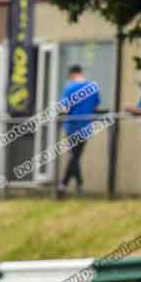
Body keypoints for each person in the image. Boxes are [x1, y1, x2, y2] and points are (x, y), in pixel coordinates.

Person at [58, 65, 101, 196]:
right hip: (86, 126)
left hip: (72, 126)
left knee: (74, 156)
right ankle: (78, 185)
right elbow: (96, 105)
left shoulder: (70, 88)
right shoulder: (93, 87)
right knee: (76, 155)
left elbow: (64, 108)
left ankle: (63, 186)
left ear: (72, 74)